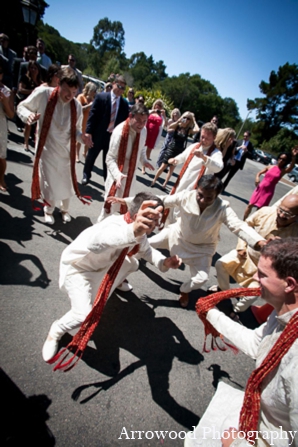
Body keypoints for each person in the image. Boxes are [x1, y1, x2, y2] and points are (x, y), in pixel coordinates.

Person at [41, 193, 182, 362]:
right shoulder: (113, 224)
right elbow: (95, 242)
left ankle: (117, 281)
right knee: (83, 315)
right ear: (137, 216)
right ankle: (56, 330)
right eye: (151, 220)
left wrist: (165, 262)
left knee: (133, 264)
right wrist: (132, 231)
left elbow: (148, 251)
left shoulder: (141, 232)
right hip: (79, 270)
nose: (156, 225)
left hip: (102, 268)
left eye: (156, 220)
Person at [186, 237, 298, 447]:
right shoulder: (283, 313)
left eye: (262, 275)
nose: (254, 278)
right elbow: (257, 344)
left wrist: (237, 444)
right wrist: (212, 314)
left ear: (289, 284)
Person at [117, 175, 265, 308]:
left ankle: (184, 290)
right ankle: (121, 274)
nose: (202, 200)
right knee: (140, 247)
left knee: (201, 279)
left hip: (202, 249)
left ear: (217, 196)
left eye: (209, 198)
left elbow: (238, 226)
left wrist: (259, 242)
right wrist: (127, 201)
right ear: (196, 189)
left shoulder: (222, 208)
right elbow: (161, 200)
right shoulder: (186, 196)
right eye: (200, 195)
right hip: (176, 235)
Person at [17, 67, 88, 225]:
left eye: (74, 92)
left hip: (66, 153)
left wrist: (83, 139)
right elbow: (21, 106)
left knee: (67, 183)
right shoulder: (44, 94)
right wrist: (28, 116)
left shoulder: (76, 106)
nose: (70, 96)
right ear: (58, 83)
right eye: (67, 91)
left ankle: (65, 210)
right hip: (47, 150)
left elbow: (75, 131)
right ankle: (48, 210)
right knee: (49, 184)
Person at [211, 194, 298, 315]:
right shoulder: (266, 211)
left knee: (253, 294)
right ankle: (223, 291)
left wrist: (281, 248)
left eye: (288, 215)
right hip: (246, 253)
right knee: (221, 264)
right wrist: (241, 245)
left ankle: (236, 310)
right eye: (281, 210)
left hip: (267, 268)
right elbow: (246, 226)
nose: (282, 215)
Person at [97, 103, 154, 223]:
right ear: (131, 116)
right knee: (109, 207)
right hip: (116, 178)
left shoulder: (143, 131)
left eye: (144, 121)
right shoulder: (119, 132)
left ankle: (120, 233)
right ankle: (97, 232)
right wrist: (117, 175)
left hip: (130, 176)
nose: (141, 124)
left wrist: (144, 160)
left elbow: (142, 148)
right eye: (138, 120)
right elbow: (110, 158)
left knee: (128, 205)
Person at [164, 122, 222, 225]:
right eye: (202, 137)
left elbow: (218, 167)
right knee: (171, 213)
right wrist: (175, 159)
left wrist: (204, 158)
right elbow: (183, 156)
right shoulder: (195, 146)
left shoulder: (216, 153)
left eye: (207, 138)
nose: (203, 140)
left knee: (181, 218)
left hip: (194, 191)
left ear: (214, 138)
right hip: (181, 185)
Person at [82, 74, 129, 184]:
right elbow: (92, 115)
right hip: (98, 134)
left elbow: (124, 123)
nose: (120, 90)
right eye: (119, 86)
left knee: (108, 160)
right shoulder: (101, 97)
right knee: (91, 155)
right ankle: (86, 174)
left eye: (123, 88)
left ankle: (107, 181)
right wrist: (88, 132)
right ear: (113, 84)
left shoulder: (124, 104)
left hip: (112, 137)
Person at [243, 147, 298, 220]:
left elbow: (291, 167)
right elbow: (259, 172)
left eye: (284, 160)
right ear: (278, 158)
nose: (281, 160)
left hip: (268, 192)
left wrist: (293, 157)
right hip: (260, 188)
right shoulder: (270, 167)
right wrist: (257, 177)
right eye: (280, 158)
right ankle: (244, 221)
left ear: (286, 161)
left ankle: (252, 223)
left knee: (260, 209)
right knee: (250, 205)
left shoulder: (283, 171)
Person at [150, 111, 199, 188]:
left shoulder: (188, 129)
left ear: (190, 120)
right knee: (163, 166)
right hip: (171, 148)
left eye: (188, 118)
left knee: (171, 169)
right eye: (184, 117)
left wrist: (194, 120)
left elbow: (197, 130)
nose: (186, 119)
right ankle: (154, 180)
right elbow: (170, 127)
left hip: (179, 151)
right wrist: (179, 120)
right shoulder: (177, 126)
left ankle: (165, 184)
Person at [18, 60, 42, 151]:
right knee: (28, 124)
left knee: (36, 126)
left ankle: (35, 142)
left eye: (35, 68)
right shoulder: (25, 78)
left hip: (37, 105)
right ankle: (26, 143)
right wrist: (33, 91)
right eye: (31, 67)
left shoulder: (40, 82)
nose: (33, 70)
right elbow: (21, 89)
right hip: (28, 104)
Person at [0, 57, 15, 191]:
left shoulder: (5, 91)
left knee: (1, 156)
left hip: (1, 125)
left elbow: (11, 114)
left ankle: (1, 178)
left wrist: (5, 102)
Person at [141, 99, 167, 174]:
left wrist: (164, 115)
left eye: (159, 105)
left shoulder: (161, 115)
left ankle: (144, 165)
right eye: (157, 105)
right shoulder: (150, 111)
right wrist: (153, 111)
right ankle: (143, 168)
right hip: (146, 132)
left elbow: (165, 125)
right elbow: (144, 116)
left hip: (154, 135)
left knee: (148, 151)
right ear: (154, 105)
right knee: (142, 148)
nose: (158, 106)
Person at [76, 82, 97, 162]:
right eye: (93, 90)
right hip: (81, 121)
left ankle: (84, 153)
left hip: (89, 122)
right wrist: (88, 106)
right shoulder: (81, 97)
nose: (94, 92)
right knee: (79, 138)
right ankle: (77, 155)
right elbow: (78, 108)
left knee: (88, 138)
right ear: (89, 90)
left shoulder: (94, 99)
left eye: (95, 91)